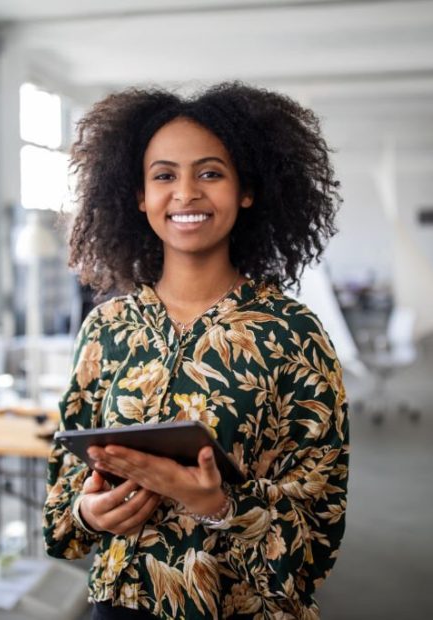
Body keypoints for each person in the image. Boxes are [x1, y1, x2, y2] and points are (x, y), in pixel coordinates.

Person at [43, 83, 349, 620]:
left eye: (210, 173)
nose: (185, 193)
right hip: (121, 607)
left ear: (246, 190)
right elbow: (60, 519)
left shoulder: (294, 334)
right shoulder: (106, 329)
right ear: (139, 196)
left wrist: (218, 505)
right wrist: (90, 512)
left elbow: (318, 538)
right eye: (164, 175)